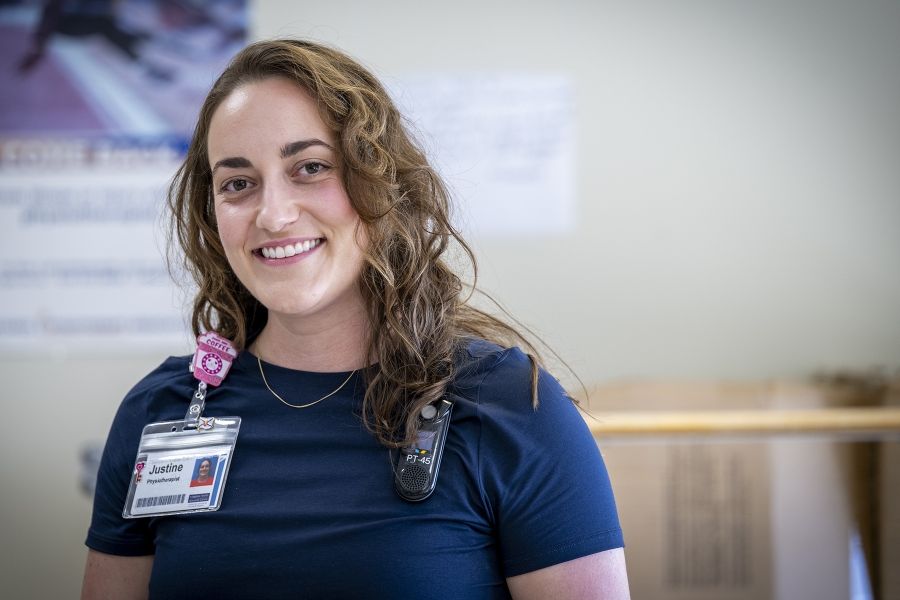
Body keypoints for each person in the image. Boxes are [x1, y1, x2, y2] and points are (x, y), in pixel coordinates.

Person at [82, 39, 629, 599]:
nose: (273, 214)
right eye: (238, 183)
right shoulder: (161, 410)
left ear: (382, 183)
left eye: (311, 167)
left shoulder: (511, 409)